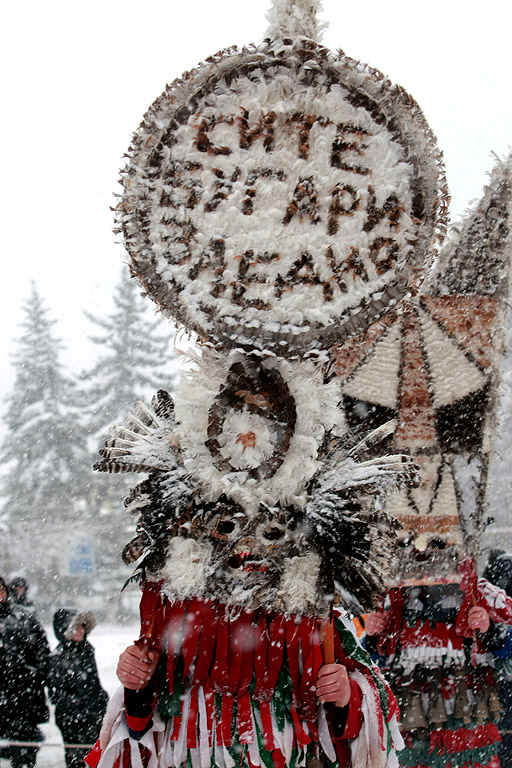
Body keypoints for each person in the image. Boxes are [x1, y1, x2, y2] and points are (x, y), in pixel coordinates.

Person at [48, 608, 108, 768]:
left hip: (94, 717)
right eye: (77, 627)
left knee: (100, 759)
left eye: (83, 626)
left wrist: (102, 701)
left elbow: (94, 684)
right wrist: (83, 710)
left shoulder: (87, 651)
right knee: (76, 760)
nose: (81, 630)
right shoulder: (57, 658)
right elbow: (58, 696)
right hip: (73, 721)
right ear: (65, 630)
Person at [0, 575, 50, 768]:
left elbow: (42, 652)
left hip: (24, 699)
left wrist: (34, 676)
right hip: (8, 699)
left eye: (2, 590)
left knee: (25, 752)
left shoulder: (24, 618)